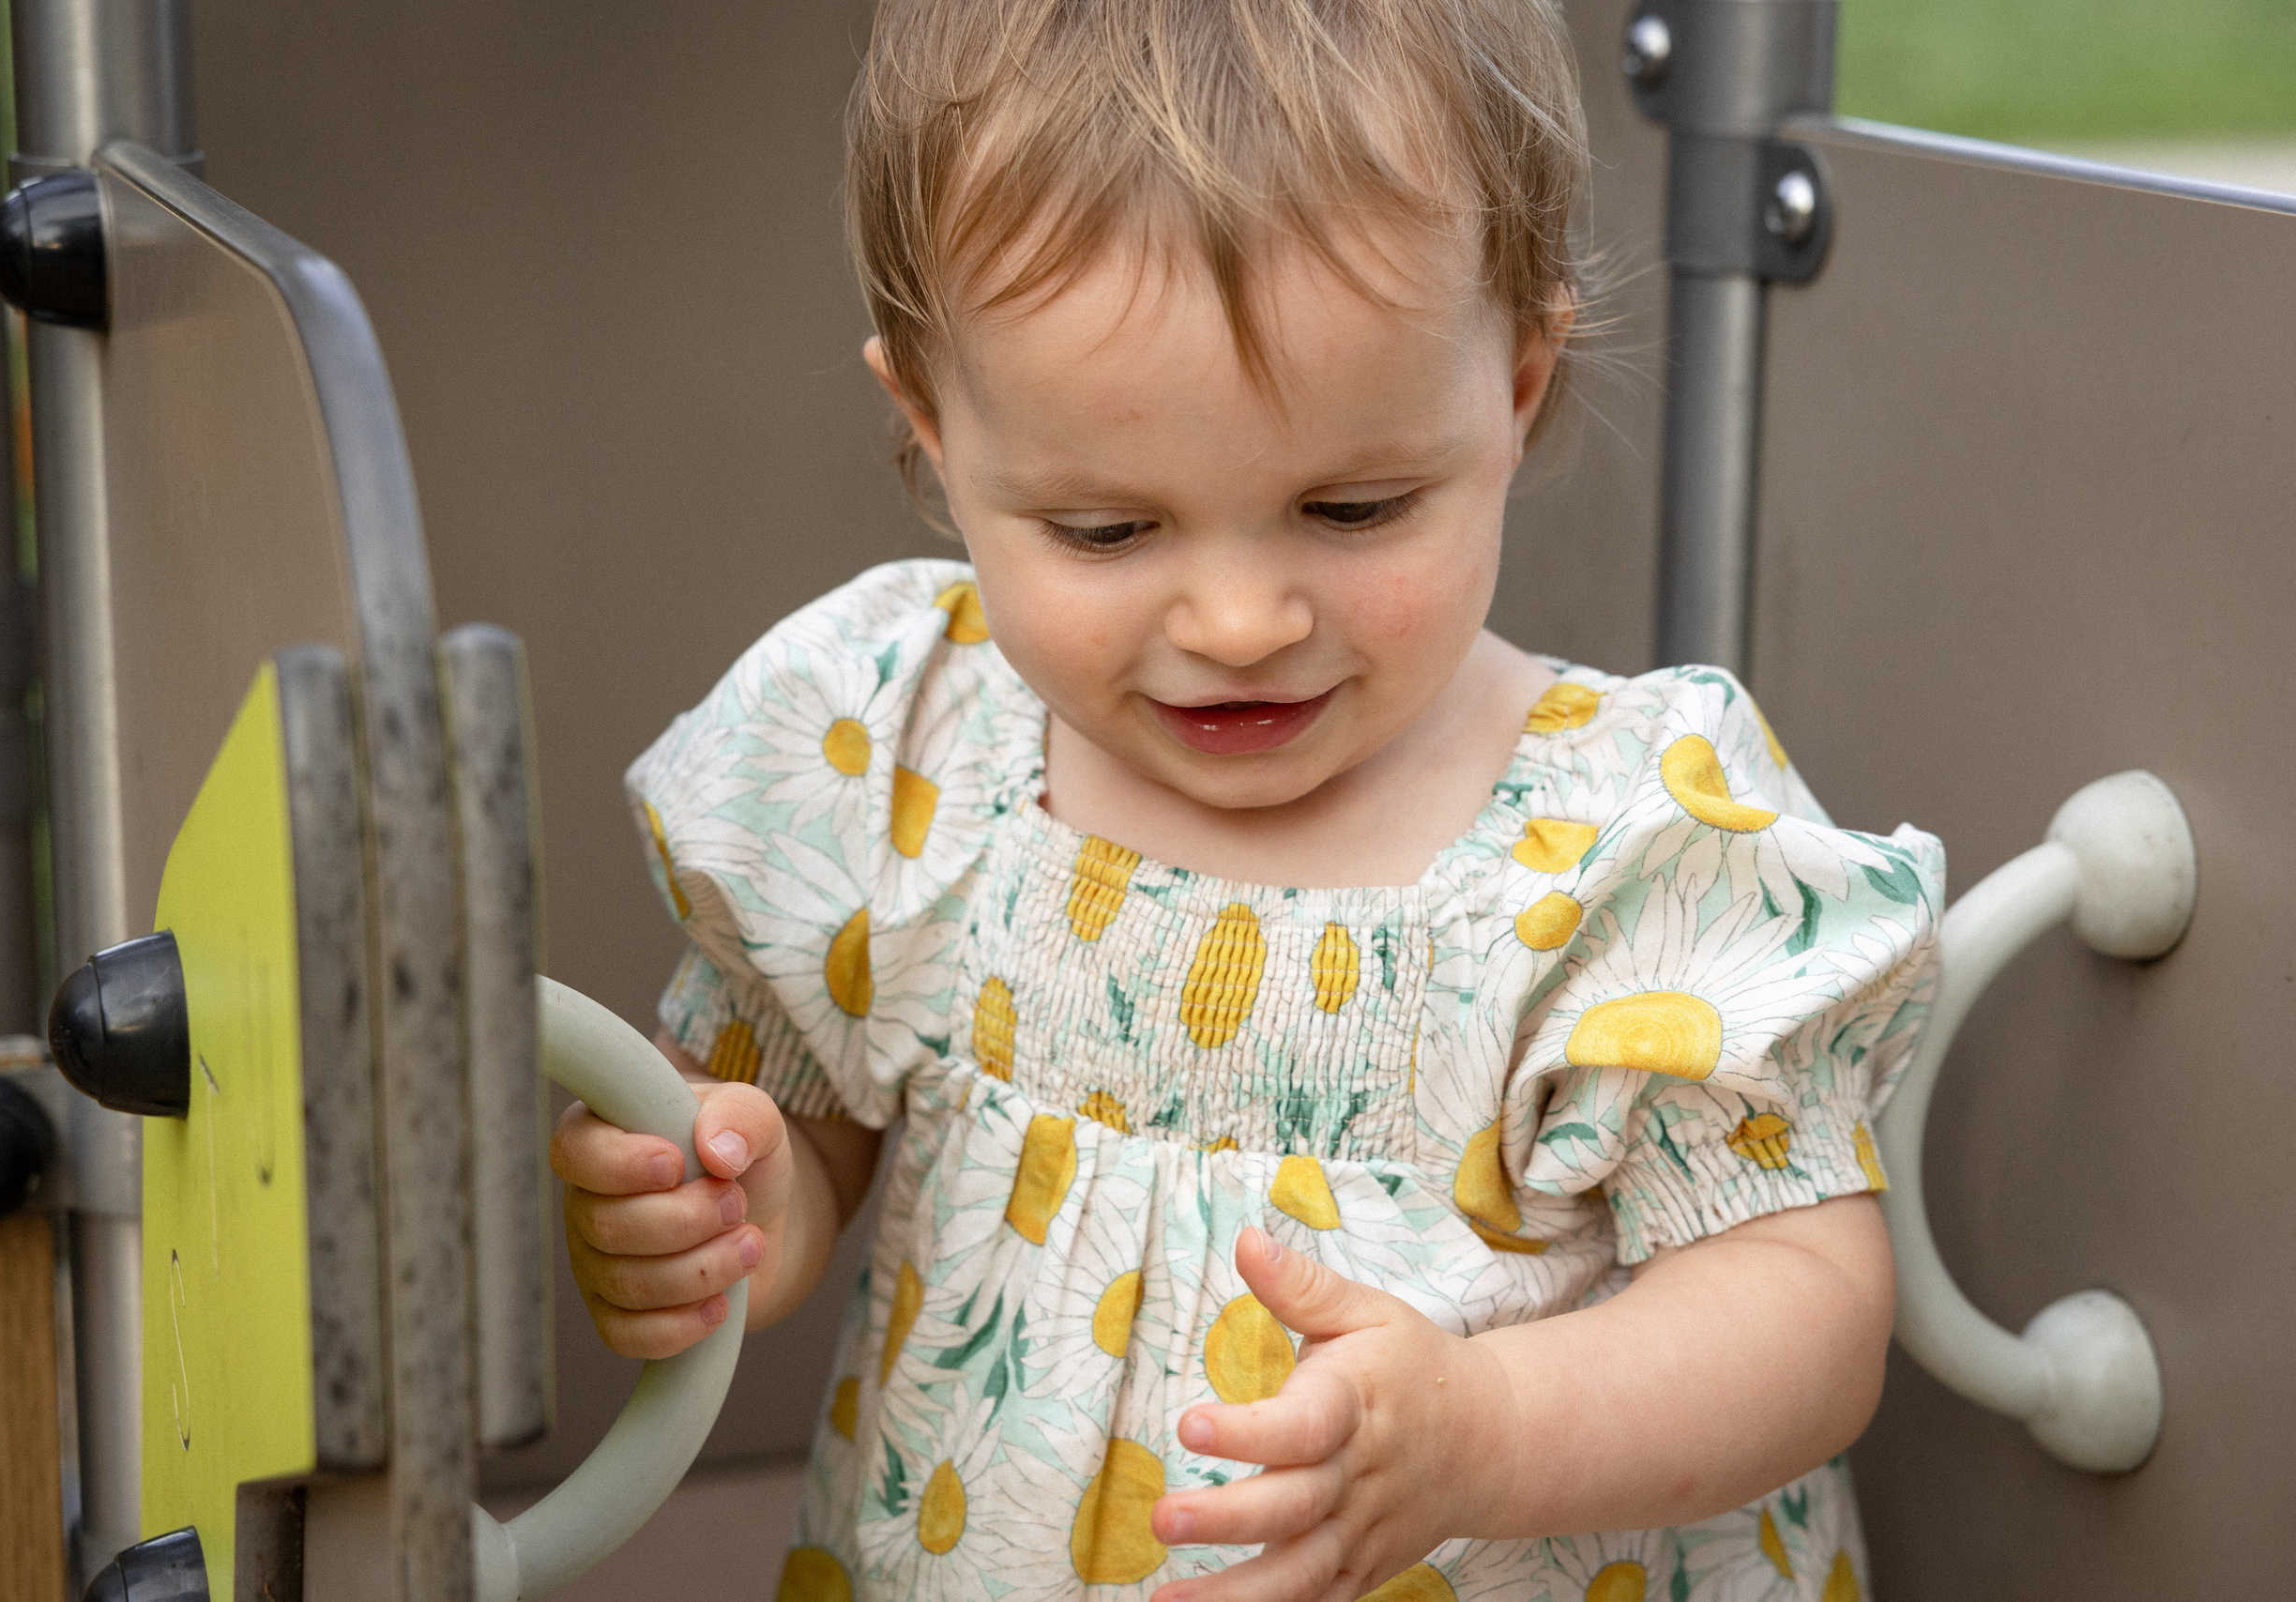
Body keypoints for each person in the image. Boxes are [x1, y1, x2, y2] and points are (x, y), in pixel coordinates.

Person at [550, 2, 1943, 1597]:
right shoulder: (901, 747)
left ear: (1516, 387)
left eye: (1353, 508)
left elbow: (1803, 1307)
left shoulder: (1631, 840)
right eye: (1105, 531)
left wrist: (1484, 1432)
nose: (1237, 623)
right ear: (933, 428)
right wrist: (724, 1211)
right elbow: (805, 1142)